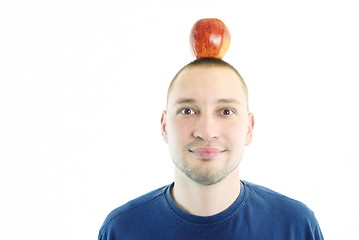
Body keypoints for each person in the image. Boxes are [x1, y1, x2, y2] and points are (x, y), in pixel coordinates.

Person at [98, 57, 324, 240]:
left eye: (226, 111)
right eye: (188, 110)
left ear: (249, 128)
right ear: (165, 126)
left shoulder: (295, 226)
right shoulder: (121, 230)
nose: (206, 131)